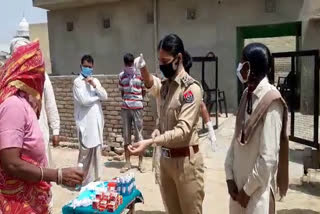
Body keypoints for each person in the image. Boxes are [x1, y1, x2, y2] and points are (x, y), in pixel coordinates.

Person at [0, 41, 83, 214]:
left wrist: (55, 128)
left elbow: (51, 105)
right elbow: (11, 163)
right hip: (19, 202)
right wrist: (58, 175)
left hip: (31, 195)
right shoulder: (13, 106)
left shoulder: (24, 101)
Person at [129, 34, 205, 214]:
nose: (162, 66)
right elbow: (150, 85)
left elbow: (183, 130)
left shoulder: (190, 90)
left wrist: (150, 142)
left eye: (165, 61)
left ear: (179, 58)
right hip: (166, 162)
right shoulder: (165, 87)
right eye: (159, 61)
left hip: (186, 164)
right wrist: (157, 130)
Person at [224, 43, 289, 214]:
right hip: (238, 190)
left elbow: (268, 157)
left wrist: (247, 190)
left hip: (257, 195)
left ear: (252, 68)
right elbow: (236, 139)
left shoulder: (272, 102)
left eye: (242, 63)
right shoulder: (247, 94)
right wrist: (229, 177)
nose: (239, 68)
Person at [73, 54, 108, 185]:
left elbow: (105, 96)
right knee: (84, 155)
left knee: (97, 154)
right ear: (81, 66)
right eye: (85, 66)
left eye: (90, 67)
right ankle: (79, 180)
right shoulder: (77, 83)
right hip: (84, 123)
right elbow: (84, 101)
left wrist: (94, 85)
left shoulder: (96, 81)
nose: (88, 69)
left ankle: (95, 180)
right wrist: (96, 97)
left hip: (97, 123)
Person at [119, 53, 146, 173]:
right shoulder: (121, 76)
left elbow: (144, 90)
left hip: (138, 108)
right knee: (126, 135)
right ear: (125, 64)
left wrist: (137, 100)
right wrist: (128, 101)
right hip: (126, 108)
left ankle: (141, 163)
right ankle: (127, 162)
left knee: (139, 135)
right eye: (128, 64)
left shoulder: (140, 75)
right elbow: (122, 92)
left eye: (131, 64)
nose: (129, 66)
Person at [39, 72, 61, 167]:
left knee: (43, 169)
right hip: (18, 136)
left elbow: (50, 103)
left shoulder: (41, 74)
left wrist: (55, 130)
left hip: (40, 130)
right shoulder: (12, 73)